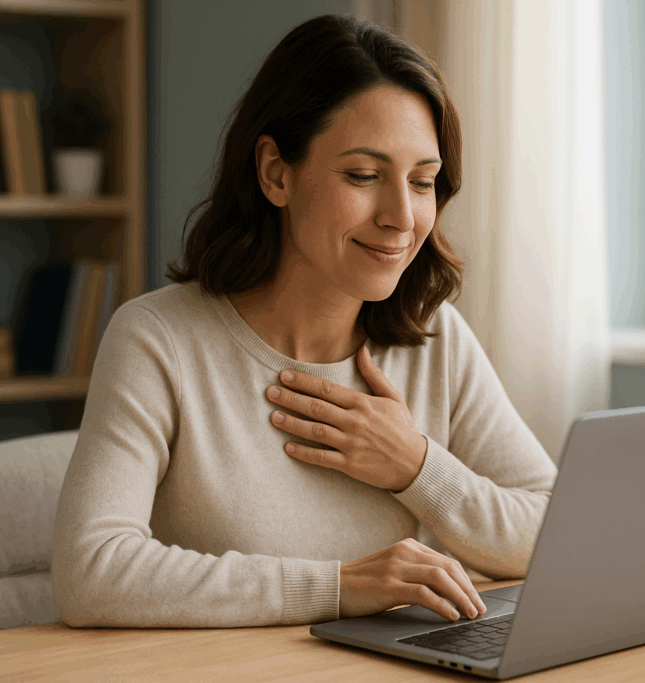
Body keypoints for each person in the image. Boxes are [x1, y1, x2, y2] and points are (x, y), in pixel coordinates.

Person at [52, 14, 558, 629]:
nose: (402, 217)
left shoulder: (435, 338)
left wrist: (418, 468)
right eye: (364, 176)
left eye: (423, 182)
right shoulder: (158, 341)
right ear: (276, 172)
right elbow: (91, 571)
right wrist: (338, 587)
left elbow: (559, 531)